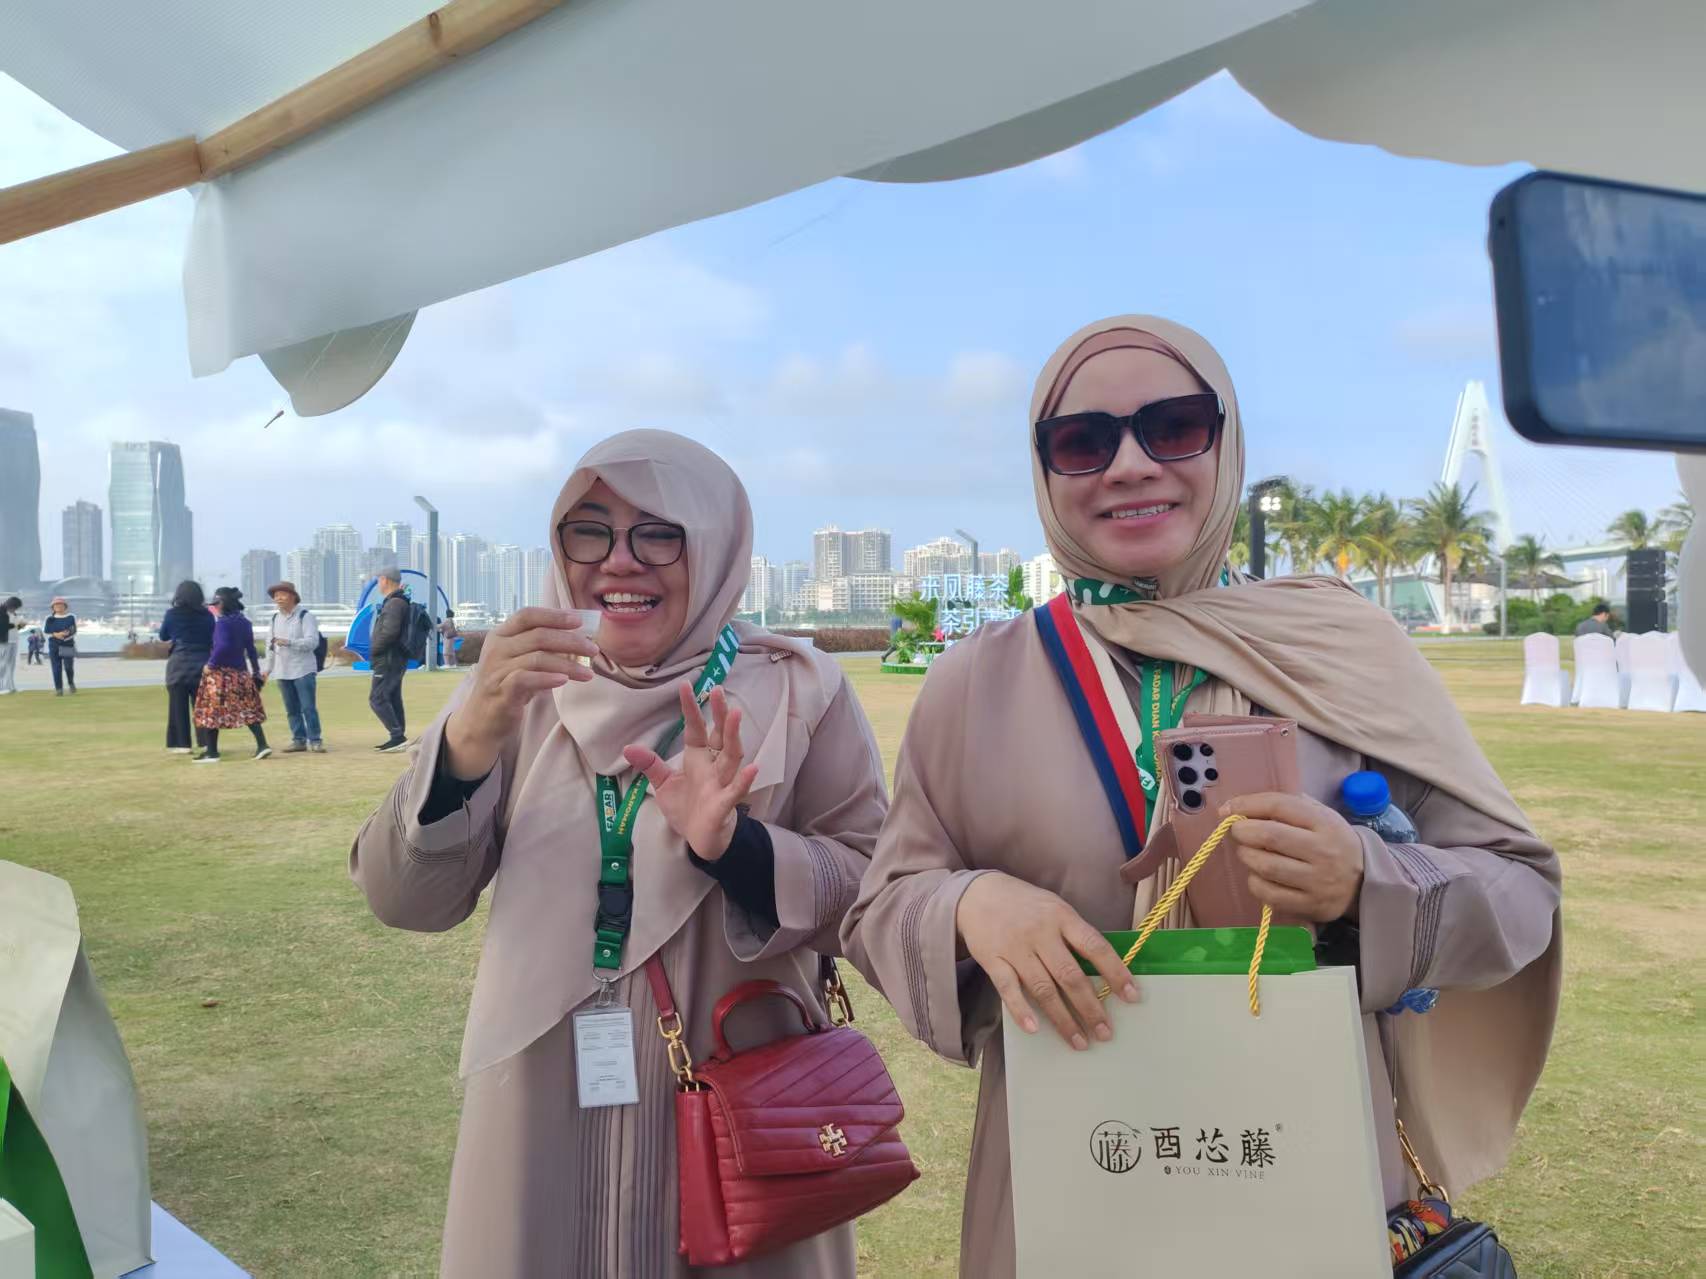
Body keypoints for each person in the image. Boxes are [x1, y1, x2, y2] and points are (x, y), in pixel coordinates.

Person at [842, 316, 1562, 1278]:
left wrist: (1365, 879)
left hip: (1305, 1154)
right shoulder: (976, 682)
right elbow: (881, 904)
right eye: (1084, 440)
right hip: (1068, 1171)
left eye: (1175, 425)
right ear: (1046, 470)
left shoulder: (1341, 648)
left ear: (1225, 444)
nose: (1130, 464)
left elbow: (1519, 889)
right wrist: (970, 903)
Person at [350, 430, 888, 1278]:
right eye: (590, 530)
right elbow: (402, 899)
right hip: (540, 1102)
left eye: (659, 532)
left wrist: (736, 848)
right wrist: (469, 738)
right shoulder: (517, 689)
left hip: (744, 1109)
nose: (619, 563)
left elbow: (874, 894)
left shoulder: (798, 688)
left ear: (713, 545)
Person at [193, 587, 271, 762]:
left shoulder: (222, 623)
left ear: (222, 604)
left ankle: (211, 752)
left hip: (221, 675)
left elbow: (222, 647)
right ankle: (262, 745)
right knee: (248, 710)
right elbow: (251, 650)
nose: (215, 608)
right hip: (242, 674)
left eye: (216, 604)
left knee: (210, 711)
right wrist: (256, 672)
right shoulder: (245, 622)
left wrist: (210, 665)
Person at [264, 580, 325, 753]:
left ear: (293, 597)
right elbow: (270, 645)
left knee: (308, 707)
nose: (278, 598)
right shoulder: (274, 618)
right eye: (276, 596)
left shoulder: (305, 616)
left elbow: (312, 642)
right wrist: (268, 669)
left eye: (282, 594)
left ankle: (315, 740)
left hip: (303, 669)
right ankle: (298, 740)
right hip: (283, 670)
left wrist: (289, 642)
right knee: (291, 710)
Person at [159, 580, 215, 753]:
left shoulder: (172, 614)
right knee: (202, 706)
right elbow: (212, 637)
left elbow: (163, 635)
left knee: (177, 705)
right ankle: (206, 742)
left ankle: (180, 744)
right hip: (202, 663)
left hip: (179, 664)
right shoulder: (207, 615)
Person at [368, 567, 412, 752]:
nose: (378, 584)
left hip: (387, 658)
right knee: (392, 696)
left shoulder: (394, 603)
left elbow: (390, 632)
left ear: (385, 580)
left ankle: (397, 736)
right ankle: (398, 736)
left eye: (379, 580)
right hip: (395, 658)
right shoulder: (399, 601)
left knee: (377, 698)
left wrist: (375, 649)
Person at [43, 598, 77, 695]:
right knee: (56, 667)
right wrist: (56, 634)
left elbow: (73, 630)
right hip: (54, 645)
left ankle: (71, 683)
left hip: (67, 644)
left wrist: (64, 635)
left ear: (65, 606)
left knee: (68, 667)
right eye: (56, 605)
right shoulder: (49, 618)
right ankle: (59, 689)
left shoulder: (71, 617)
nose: (58, 606)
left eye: (60, 604)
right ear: (52, 607)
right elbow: (46, 631)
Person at [0, 596, 20, 695]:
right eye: (14, 607)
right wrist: (14, 625)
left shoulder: (13, 613)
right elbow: (2, 626)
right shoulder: (1, 611)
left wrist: (18, 625)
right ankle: (1, 687)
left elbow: (14, 625)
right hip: (4, 641)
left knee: (11, 665)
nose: (15, 609)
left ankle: (10, 686)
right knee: (2, 664)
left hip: (14, 640)